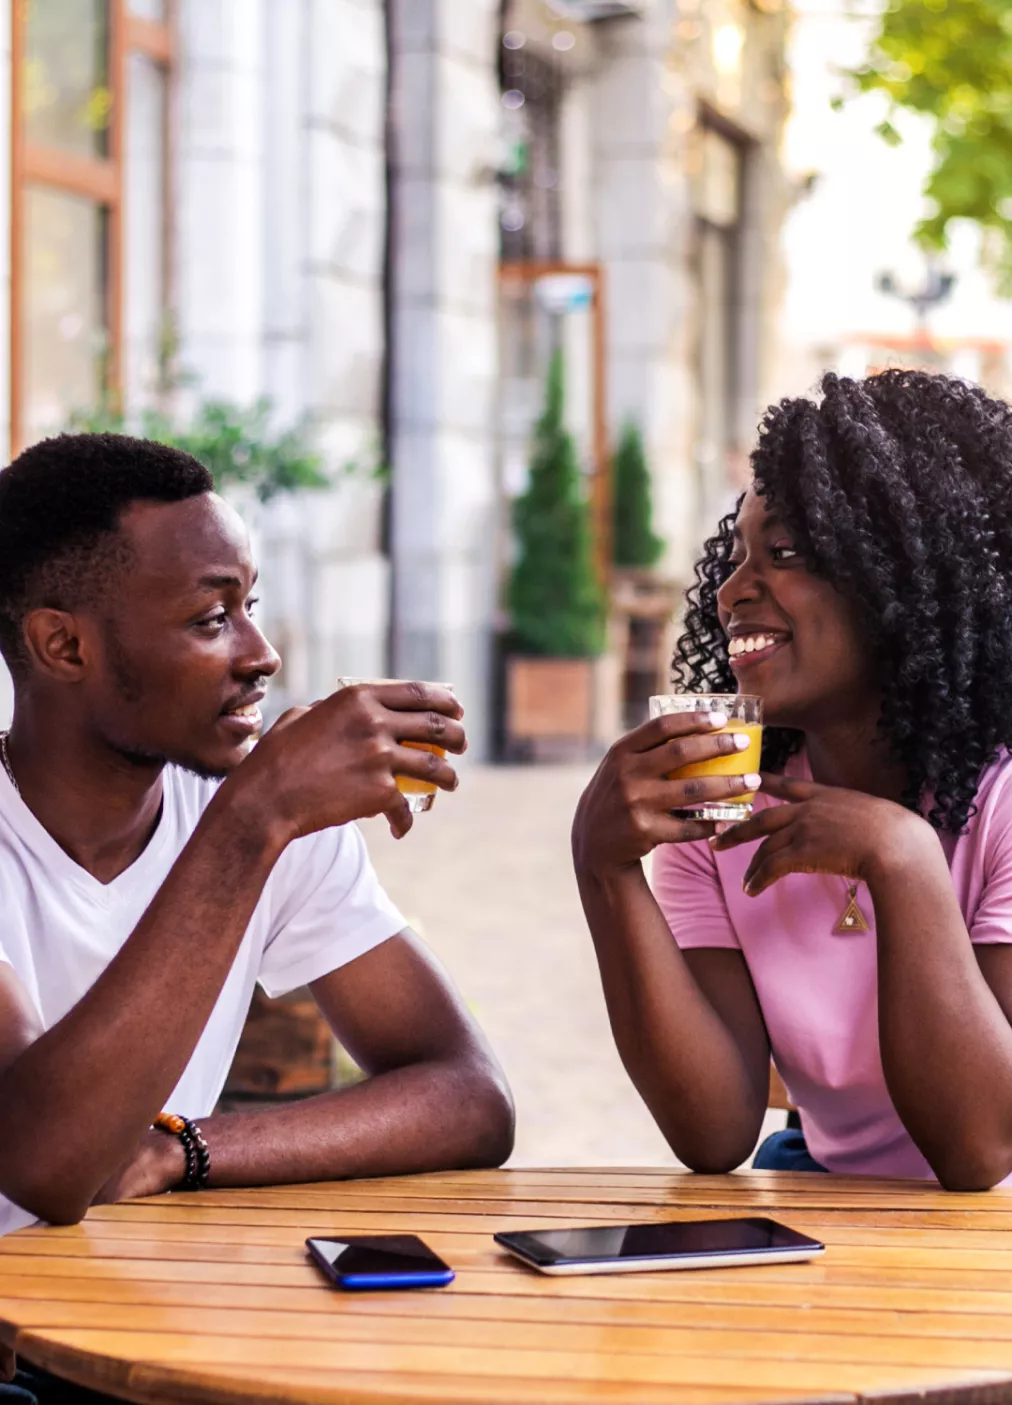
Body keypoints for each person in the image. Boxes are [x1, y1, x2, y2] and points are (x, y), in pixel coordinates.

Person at [0, 432, 514, 1247]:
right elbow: (44, 1164)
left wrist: (185, 1150)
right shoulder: (257, 813)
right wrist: (254, 817)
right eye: (211, 618)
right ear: (64, 646)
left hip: (120, 1326)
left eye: (251, 607)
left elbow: (471, 1096)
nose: (261, 653)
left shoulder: (263, 813)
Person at [573, 369, 1012, 1190]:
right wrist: (604, 869)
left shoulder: (1002, 800)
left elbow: (982, 1149)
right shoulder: (722, 809)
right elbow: (715, 1130)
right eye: (737, 554)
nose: (734, 591)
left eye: (784, 554)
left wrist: (904, 858)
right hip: (836, 1233)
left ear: (902, 583)